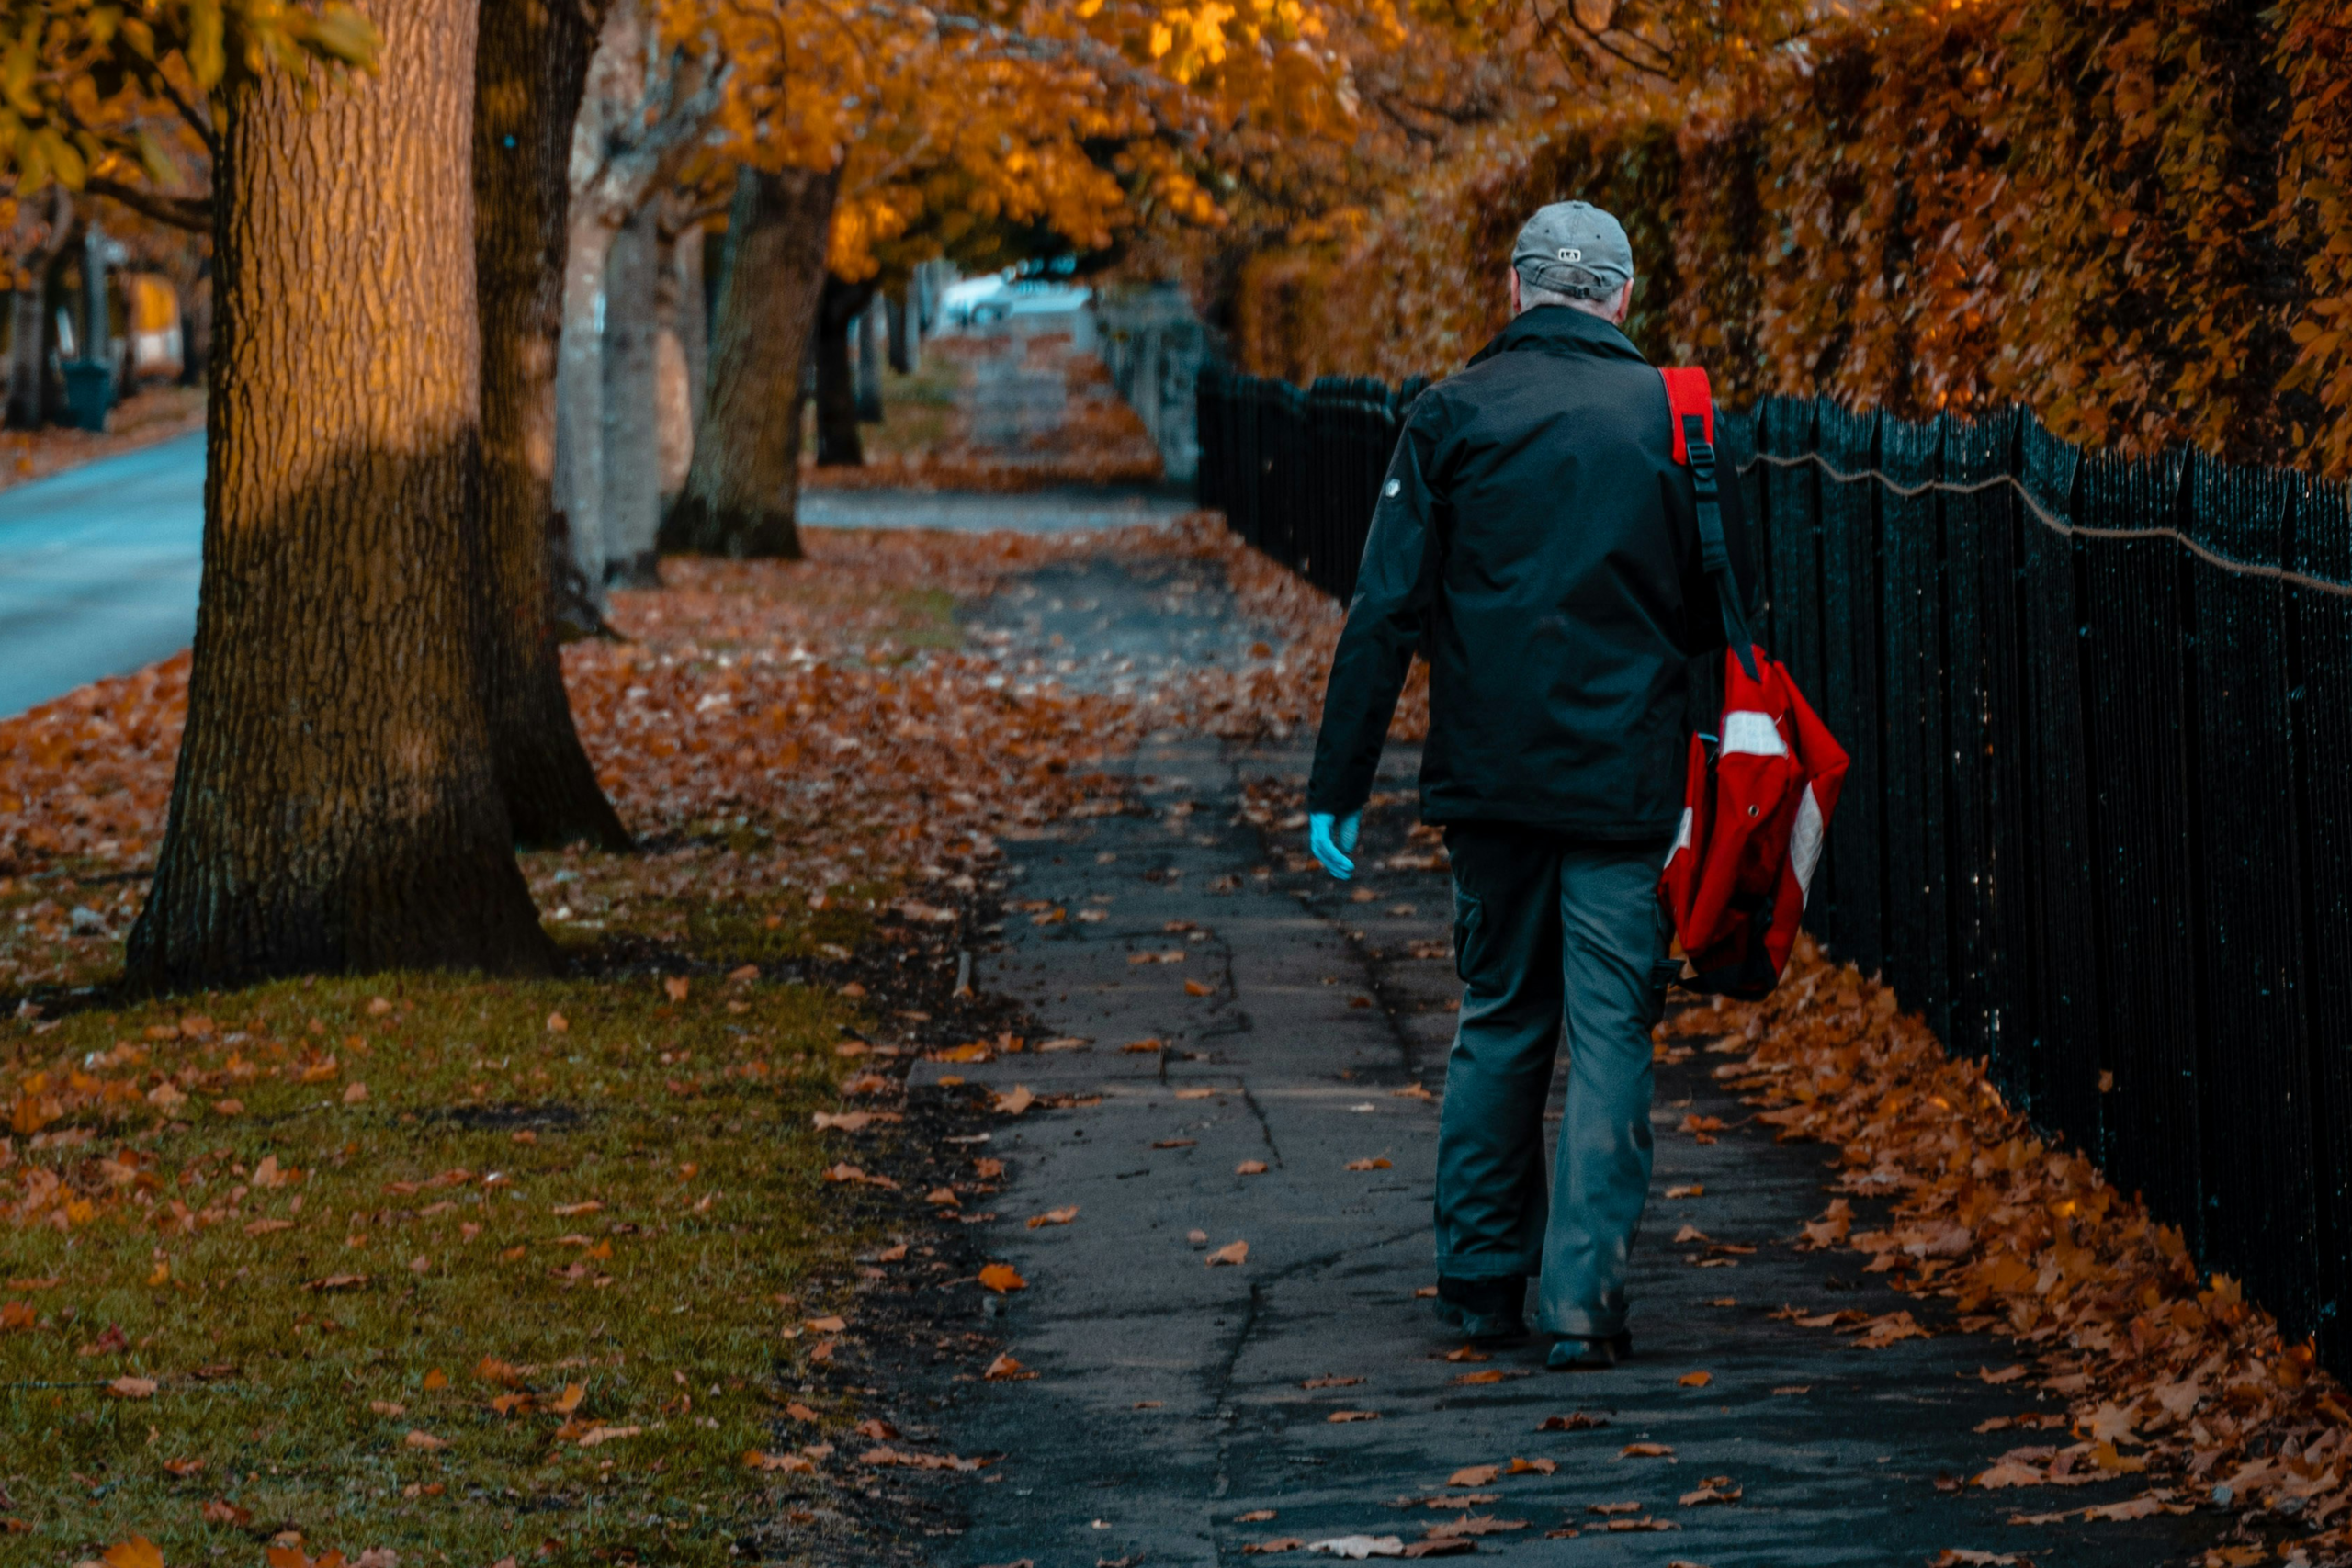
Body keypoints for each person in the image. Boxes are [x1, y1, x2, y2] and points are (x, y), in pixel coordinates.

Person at [1303, 200, 1755, 1371]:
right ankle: (1584, 1304)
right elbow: (1715, 612)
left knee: (1500, 1020)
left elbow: (1384, 611)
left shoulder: (1449, 414)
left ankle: (1477, 1281)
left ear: (1514, 294)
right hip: (1623, 781)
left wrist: (1337, 781)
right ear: (1619, 299)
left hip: (1490, 782)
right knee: (1611, 1033)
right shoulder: (1673, 418)